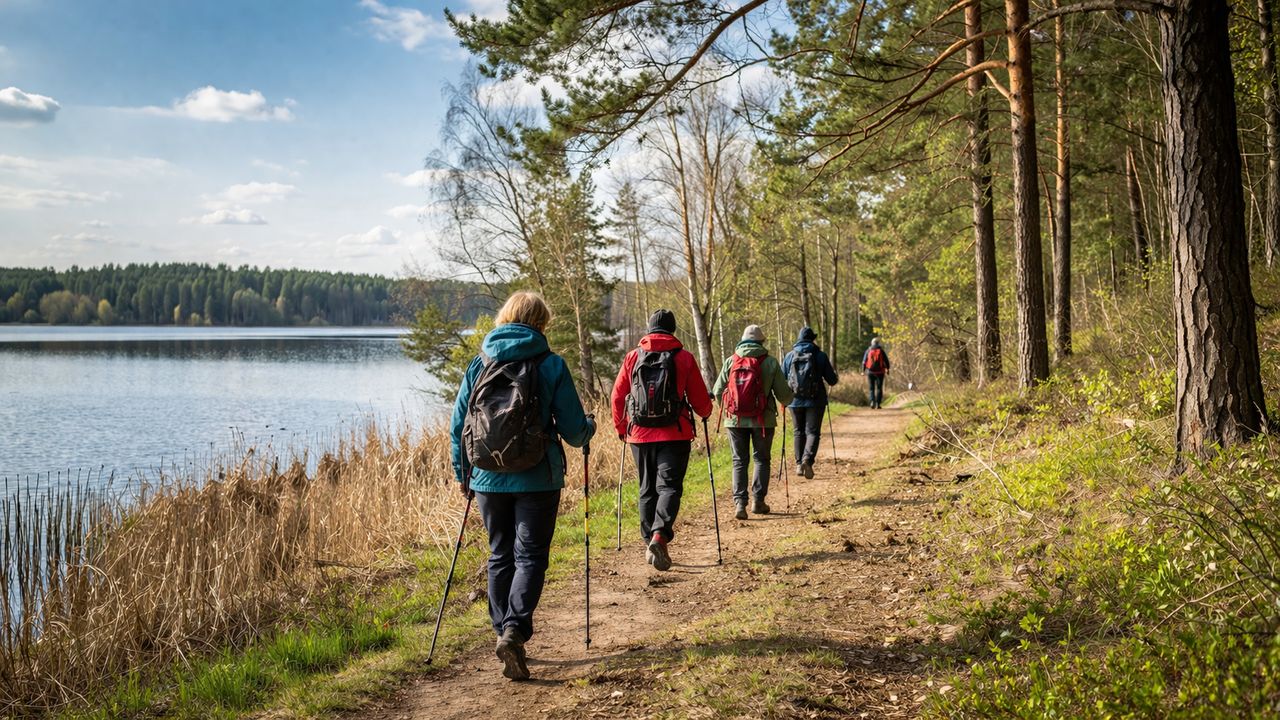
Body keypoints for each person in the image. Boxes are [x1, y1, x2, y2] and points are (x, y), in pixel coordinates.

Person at [450, 290, 595, 681]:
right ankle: (514, 631)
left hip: (487, 479)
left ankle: (502, 631)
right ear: (541, 323)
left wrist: (463, 473)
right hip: (537, 477)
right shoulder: (551, 364)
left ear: (505, 317)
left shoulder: (478, 363)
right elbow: (573, 430)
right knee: (530, 556)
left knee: (500, 555)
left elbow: (459, 424)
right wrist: (589, 430)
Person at [610, 309, 713, 572]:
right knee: (668, 487)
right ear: (673, 329)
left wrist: (622, 427)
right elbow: (701, 400)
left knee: (646, 489)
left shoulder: (633, 357)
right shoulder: (684, 358)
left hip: (639, 434)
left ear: (649, 329)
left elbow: (618, 396)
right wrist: (706, 412)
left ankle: (649, 543)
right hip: (675, 433)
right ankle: (659, 535)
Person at [712, 325, 794, 520]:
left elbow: (717, 391)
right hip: (763, 420)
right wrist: (789, 399)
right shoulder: (771, 362)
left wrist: (728, 409)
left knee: (739, 461)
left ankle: (740, 503)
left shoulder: (731, 361)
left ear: (742, 340)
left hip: (735, 420)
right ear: (761, 342)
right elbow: (784, 396)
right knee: (761, 459)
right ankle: (758, 501)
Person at [782, 327, 839, 480]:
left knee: (798, 431)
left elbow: (782, 379)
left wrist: (783, 398)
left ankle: (799, 463)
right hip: (815, 400)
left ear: (799, 339)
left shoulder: (789, 356)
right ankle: (808, 460)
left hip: (794, 401)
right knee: (812, 432)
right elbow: (832, 380)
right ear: (812, 339)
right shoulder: (820, 355)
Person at [862, 337, 891, 409]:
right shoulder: (881, 351)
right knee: (879, 388)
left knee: (871, 388)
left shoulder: (868, 350)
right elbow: (886, 361)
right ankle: (878, 403)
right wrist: (887, 369)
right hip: (880, 372)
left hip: (870, 372)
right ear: (878, 343)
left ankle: (872, 402)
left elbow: (864, 362)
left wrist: (863, 371)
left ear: (872, 343)